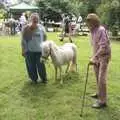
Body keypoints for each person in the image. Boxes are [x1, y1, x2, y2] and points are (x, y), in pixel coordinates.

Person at [86, 13, 111, 108]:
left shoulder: (101, 30)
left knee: (101, 79)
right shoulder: (92, 31)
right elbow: (95, 45)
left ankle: (102, 101)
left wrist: (94, 56)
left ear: (94, 21)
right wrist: (94, 56)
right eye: (87, 23)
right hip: (97, 56)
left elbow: (103, 47)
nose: (88, 25)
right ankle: (99, 93)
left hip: (104, 56)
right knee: (97, 76)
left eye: (90, 22)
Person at [21, 13, 48, 84]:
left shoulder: (41, 28)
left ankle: (44, 78)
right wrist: (23, 50)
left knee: (41, 66)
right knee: (31, 66)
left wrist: (45, 49)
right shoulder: (26, 28)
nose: (35, 21)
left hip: (40, 51)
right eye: (34, 20)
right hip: (29, 51)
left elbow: (45, 38)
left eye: (36, 20)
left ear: (38, 20)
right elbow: (24, 40)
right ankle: (34, 79)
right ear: (30, 20)